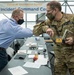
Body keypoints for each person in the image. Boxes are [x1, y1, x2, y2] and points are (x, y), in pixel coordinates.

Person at [33, 1, 74, 75]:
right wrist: (45, 28)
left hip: (72, 55)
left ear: (55, 10)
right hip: (59, 57)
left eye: (48, 11)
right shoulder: (49, 21)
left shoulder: (71, 18)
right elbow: (35, 31)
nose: (47, 13)